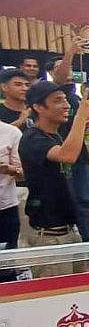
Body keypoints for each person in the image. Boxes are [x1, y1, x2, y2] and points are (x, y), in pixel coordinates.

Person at [18, 82, 89, 275]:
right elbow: (67, 156)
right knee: (55, 299)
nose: (66, 105)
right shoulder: (32, 138)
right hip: (50, 236)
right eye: (57, 100)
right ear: (38, 107)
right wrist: (80, 118)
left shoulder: (55, 136)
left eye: (66, 99)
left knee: (76, 297)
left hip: (69, 231)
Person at [45, 40, 89, 242]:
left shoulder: (75, 98)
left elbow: (85, 132)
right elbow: (60, 76)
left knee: (84, 200)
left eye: (70, 66)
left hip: (80, 157)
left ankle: (84, 240)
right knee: (67, 201)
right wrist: (70, 53)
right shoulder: (54, 94)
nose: (68, 70)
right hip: (61, 155)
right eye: (63, 67)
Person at [0, 119, 22, 283]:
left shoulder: (11, 133)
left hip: (5, 210)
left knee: (5, 270)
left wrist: (10, 169)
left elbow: (24, 173)